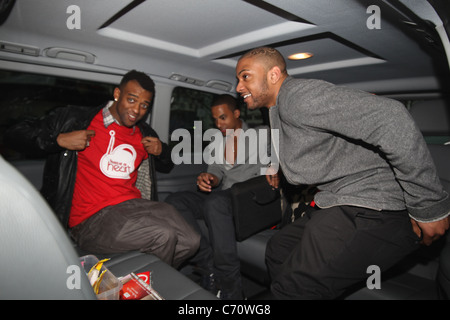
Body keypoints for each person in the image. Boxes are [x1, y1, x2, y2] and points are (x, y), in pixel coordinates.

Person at [235, 47, 450, 299]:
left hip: (375, 207)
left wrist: (429, 206)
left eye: (245, 76)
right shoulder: (280, 109)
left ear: (273, 75)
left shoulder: (298, 96)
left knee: (295, 288)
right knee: (278, 249)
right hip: (340, 200)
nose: (238, 87)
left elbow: (392, 117)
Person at [4, 70, 200, 268]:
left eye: (144, 105)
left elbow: (167, 166)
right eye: (131, 100)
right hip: (91, 219)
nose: (137, 110)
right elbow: (14, 134)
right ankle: (148, 291)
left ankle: (147, 275)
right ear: (117, 94)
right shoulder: (76, 119)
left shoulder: (144, 133)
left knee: (192, 241)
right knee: (163, 235)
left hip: (134, 206)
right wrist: (59, 140)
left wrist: (161, 151)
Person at [165, 94, 279, 299]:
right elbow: (216, 172)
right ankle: (208, 261)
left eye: (223, 118)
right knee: (175, 201)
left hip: (251, 199)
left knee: (215, 202)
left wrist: (274, 166)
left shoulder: (262, 134)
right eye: (215, 119)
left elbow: (283, 152)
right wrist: (209, 178)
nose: (218, 124)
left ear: (236, 114)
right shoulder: (218, 142)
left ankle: (231, 287)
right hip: (224, 199)